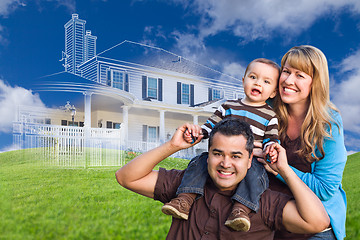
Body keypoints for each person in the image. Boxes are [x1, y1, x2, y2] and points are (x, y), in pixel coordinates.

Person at [115, 118, 330, 240]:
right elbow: (126, 177)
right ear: (207, 156)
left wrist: (284, 169)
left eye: (236, 156)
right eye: (218, 154)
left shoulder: (264, 202)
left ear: (249, 161)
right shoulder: (185, 185)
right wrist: (173, 146)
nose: (225, 163)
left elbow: (318, 222)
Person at [161, 58, 280, 232]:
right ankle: (184, 199)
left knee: (256, 174)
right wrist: (197, 133)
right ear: (243, 81)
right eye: (253, 77)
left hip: (250, 159)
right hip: (222, 154)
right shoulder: (228, 107)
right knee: (199, 162)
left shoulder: (270, 116)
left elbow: (271, 139)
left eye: (266, 81)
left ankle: (241, 210)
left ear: (273, 93)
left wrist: (271, 150)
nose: (258, 83)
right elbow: (209, 127)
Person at [262, 45, 347, 240]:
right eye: (286, 71)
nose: (288, 81)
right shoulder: (266, 109)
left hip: (315, 222)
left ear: (315, 83)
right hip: (271, 211)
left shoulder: (329, 123)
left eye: (300, 75)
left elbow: (325, 189)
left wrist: (280, 169)